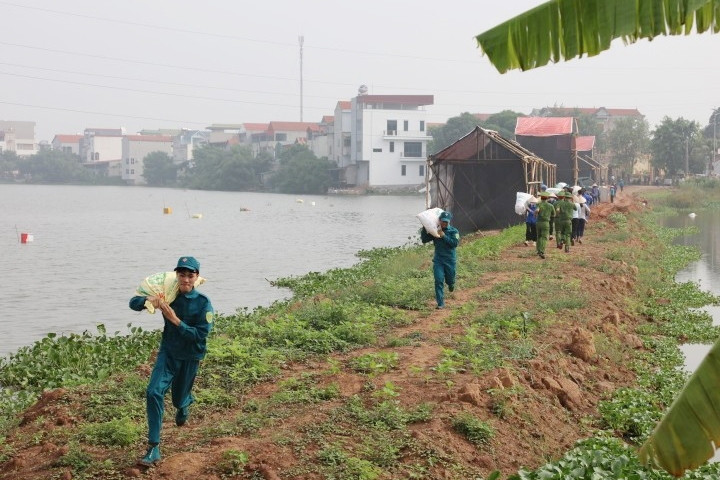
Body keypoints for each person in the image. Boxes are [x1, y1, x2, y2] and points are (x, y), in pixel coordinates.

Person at [130, 256, 214, 467]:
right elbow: (133, 303)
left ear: (196, 277)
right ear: (176, 276)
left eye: (190, 275)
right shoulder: (169, 295)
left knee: (178, 399)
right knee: (153, 392)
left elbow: (200, 335)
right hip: (168, 353)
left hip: (191, 356)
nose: (185, 279)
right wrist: (148, 301)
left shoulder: (204, 303)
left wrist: (176, 320)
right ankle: (153, 447)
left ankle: (184, 403)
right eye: (181, 274)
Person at [420, 211, 460, 309]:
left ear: (449, 221)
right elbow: (424, 240)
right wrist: (425, 228)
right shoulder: (435, 232)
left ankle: (451, 284)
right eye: (442, 221)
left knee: (450, 280)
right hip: (438, 260)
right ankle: (440, 303)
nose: (444, 223)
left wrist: (443, 236)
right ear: (440, 221)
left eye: (446, 222)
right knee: (438, 280)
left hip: (450, 260)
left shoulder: (454, 231)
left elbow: (454, 244)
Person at [535, 191, 555, 259]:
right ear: (547, 198)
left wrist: (537, 214)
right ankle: (542, 251)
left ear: (541, 197)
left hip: (538, 222)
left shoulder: (538, 204)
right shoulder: (551, 206)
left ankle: (538, 250)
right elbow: (554, 214)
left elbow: (536, 211)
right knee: (544, 237)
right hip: (546, 223)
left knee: (539, 236)